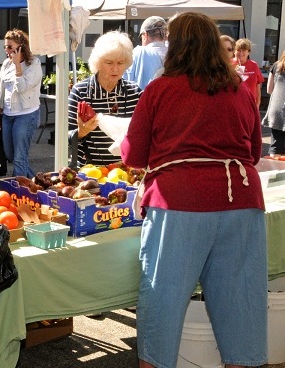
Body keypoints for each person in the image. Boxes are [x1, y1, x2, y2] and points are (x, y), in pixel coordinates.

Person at [121, 12, 266, 368]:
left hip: (179, 206)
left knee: (162, 306)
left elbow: (133, 154)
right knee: (241, 313)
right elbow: (254, 152)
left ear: (175, 46)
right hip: (242, 205)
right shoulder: (240, 90)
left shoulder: (160, 89)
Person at [68, 31, 142, 167]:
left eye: (120, 63)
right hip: (90, 170)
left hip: (126, 169)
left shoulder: (135, 92)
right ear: (98, 63)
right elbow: (65, 136)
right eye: (109, 63)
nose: (115, 68)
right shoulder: (81, 91)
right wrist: (80, 133)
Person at [0, 29, 42, 178]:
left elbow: (22, 88)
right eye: (5, 47)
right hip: (8, 115)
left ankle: (17, 192)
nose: (6, 50)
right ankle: (36, 182)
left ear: (21, 47)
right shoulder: (6, 64)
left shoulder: (34, 64)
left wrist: (18, 66)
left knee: (20, 157)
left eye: (10, 47)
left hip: (26, 115)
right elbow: (0, 91)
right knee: (11, 155)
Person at [123, 16, 167, 89]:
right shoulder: (175, 54)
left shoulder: (139, 52)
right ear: (165, 36)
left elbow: (125, 79)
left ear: (145, 35)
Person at [262, 50, 285, 156]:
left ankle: (275, 170)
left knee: (276, 146)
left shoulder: (276, 66)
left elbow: (269, 90)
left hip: (276, 111)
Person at [234, 38, 265, 108]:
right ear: (234, 51)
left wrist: (258, 103)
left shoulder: (254, 65)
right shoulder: (228, 64)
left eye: (244, 50)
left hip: (250, 104)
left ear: (248, 52)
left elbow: (258, 85)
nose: (241, 53)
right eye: (238, 50)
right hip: (233, 104)